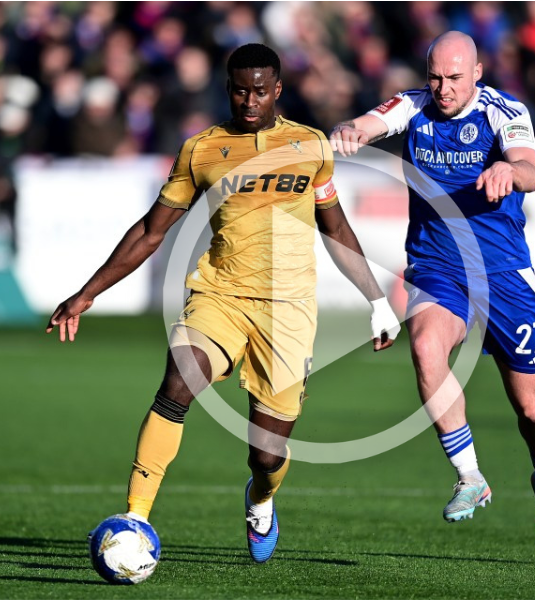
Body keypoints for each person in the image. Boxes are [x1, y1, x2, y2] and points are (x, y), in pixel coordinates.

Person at [46, 43, 400, 564]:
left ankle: (261, 499)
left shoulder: (311, 145)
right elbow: (151, 231)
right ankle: (135, 518)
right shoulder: (202, 150)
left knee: (266, 455)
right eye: (240, 90)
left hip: (289, 312)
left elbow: (336, 226)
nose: (249, 100)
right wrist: (88, 292)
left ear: (278, 89)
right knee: (177, 381)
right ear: (227, 88)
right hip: (220, 294)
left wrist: (377, 299)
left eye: (260, 90)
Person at [330, 31, 535, 553]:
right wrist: (351, 130)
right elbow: (369, 124)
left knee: (532, 409)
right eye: (435, 77)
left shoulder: (504, 112)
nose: (443, 89)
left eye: (455, 79)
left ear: (477, 74)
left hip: (504, 275)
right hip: (439, 267)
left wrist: (511, 169)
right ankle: (469, 475)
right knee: (425, 345)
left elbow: (531, 170)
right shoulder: (412, 106)